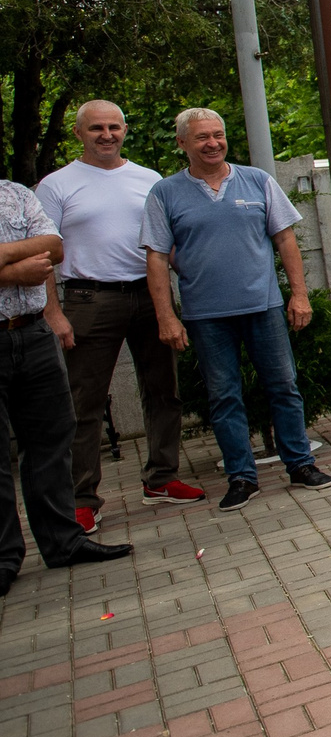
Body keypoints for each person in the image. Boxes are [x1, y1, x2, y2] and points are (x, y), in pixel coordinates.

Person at [143, 109, 331, 512]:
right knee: (224, 396)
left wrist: (298, 295)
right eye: (201, 138)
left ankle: (300, 465)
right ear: (182, 143)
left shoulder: (257, 180)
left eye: (218, 135)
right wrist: (167, 316)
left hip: (262, 305)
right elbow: (157, 258)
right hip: (205, 315)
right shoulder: (165, 193)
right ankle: (242, 477)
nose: (213, 143)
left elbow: (286, 241)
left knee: (283, 386)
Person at [39, 101, 200, 529]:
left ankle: (162, 479)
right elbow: (42, 256)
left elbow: (170, 244)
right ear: (79, 133)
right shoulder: (56, 186)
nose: (106, 135)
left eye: (114, 127)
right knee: (83, 402)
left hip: (151, 296)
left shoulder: (149, 179)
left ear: (125, 130)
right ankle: (82, 499)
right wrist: (53, 313)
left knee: (164, 390)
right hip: (90, 299)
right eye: (96, 128)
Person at [2, 178, 134, 593]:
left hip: (32, 332)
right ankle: (4, 558)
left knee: (52, 440)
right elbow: (37, 250)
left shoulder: (16, 193)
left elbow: (55, 247)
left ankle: (63, 543)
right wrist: (15, 269)